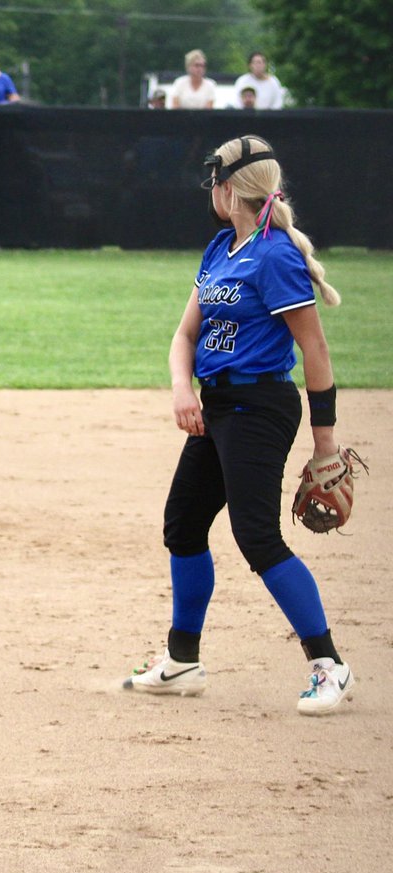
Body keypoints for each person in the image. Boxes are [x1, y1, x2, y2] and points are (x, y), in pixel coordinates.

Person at [123, 135, 355, 717]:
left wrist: (324, 444)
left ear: (232, 190)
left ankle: (329, 664)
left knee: (256, 535)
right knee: (183, 524)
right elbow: (185, 335)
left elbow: (315, 350)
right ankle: (182, 661)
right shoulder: (221, 249)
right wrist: (182, 389)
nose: (211, 191)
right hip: (217, 407)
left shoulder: (273, 255)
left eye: (214, 182)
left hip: (260, 407)